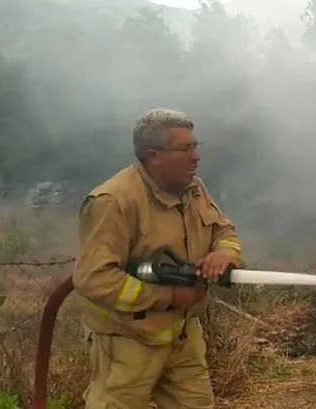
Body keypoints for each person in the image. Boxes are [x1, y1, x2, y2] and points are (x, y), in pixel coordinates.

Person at [72, 108, 244, 409]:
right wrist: (167, 295)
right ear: (153, 155)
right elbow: (93, 279)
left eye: (195, 146)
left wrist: (225, 253)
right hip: (127, 342)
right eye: (184, 148)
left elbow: (223, 230)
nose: (196, 156)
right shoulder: (113, 202)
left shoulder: (194, 188)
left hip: (183, 335)